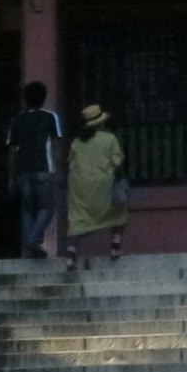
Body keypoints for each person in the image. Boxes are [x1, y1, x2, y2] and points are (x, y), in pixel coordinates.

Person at [3, 81, 65, 262]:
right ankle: (33, 241)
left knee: (29, 210)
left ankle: (30, 248)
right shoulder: (50, 117)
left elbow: (12, 150)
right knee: (47, 207)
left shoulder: (17, 120)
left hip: (22, 171)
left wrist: (11, 176)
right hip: (43, 169)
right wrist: (59, 168)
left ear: (25, 99)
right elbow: (55, 144)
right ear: (44, 98)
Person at [64, 100, 127, 268]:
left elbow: (70, 163)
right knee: (118, 214)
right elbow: (117, 162)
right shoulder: (110, 139)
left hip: (80, 186)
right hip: (103, 184)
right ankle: (114, 248)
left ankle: (70, 256)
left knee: (77, 221)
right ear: (102, 121)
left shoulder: (77, 142)